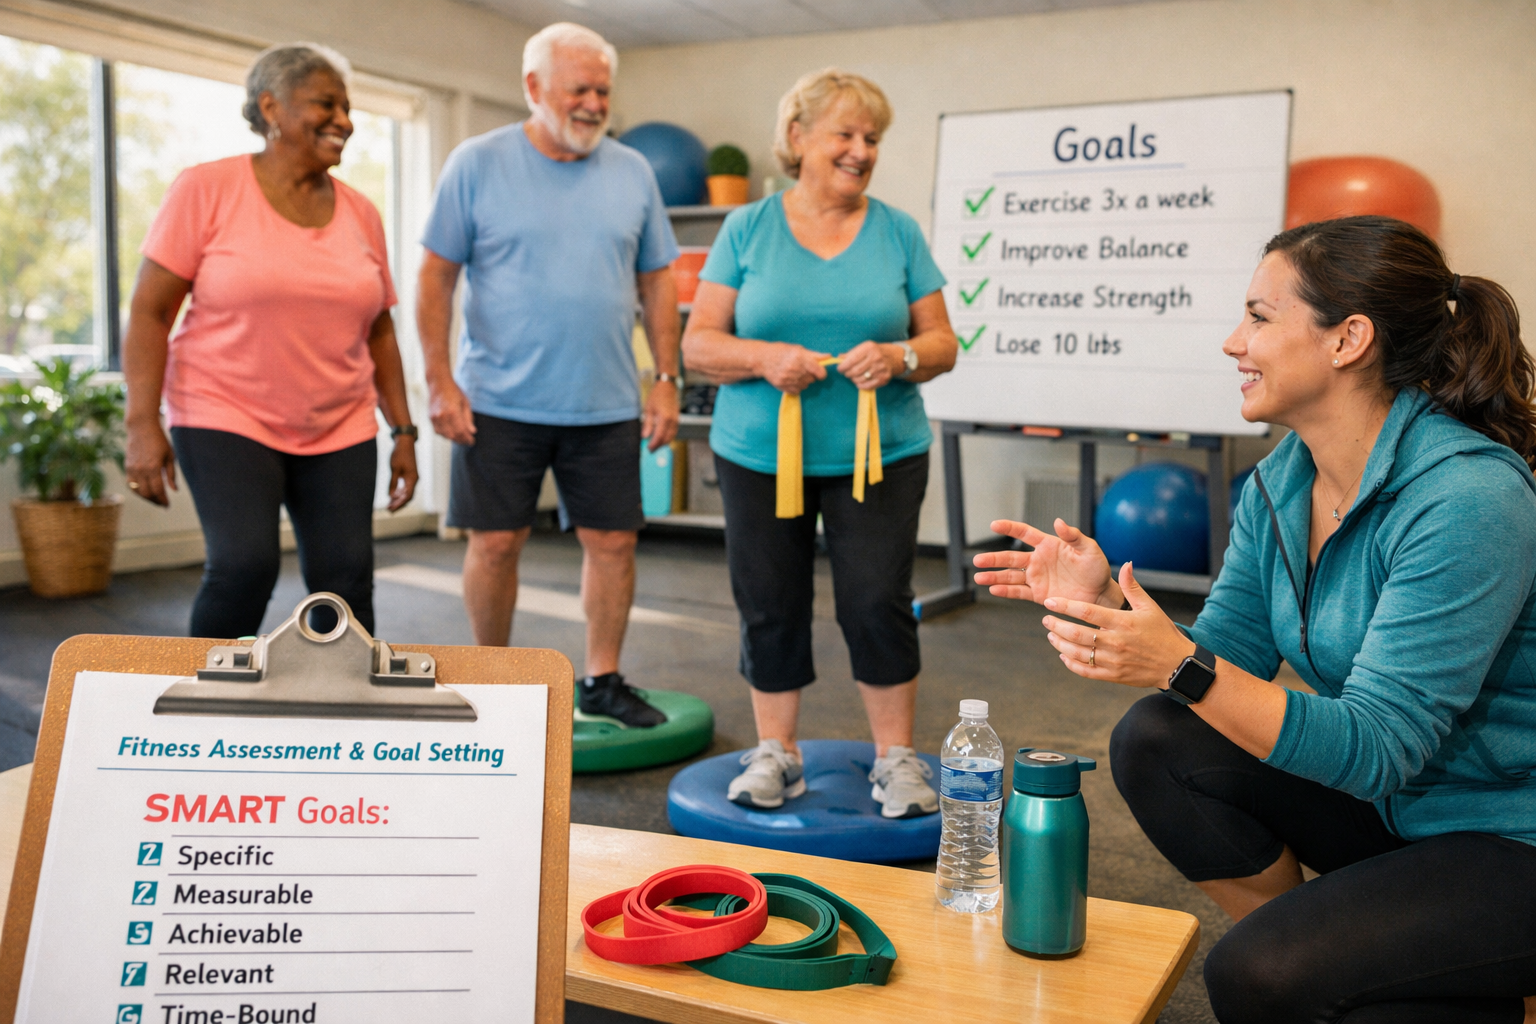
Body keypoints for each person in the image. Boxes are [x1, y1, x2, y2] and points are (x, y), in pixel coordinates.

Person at [975, 216, 1536, 1023]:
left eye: (1259, 318)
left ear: (1348, 339)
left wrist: (1178, 664)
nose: (1234, 342)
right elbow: (1219, 659)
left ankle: (1431, 977)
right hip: (1398, 809)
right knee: (1158, 738)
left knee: (1263, 976)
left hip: (1507, 832)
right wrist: (1103, 609)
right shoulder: (1282, 481)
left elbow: (1377, 746)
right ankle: (1385, 964)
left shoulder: (1467, 498)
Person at [682, 68, 958, 817]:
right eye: (846, 133)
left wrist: (899, 356)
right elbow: (698, 345)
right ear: (798, 137)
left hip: (882, 452)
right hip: (761, 453)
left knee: (877, 601)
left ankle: (896, 759)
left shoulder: (897, 230)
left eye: (872, 138)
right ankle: (778, 752)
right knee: (769, 601)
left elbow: (942, 343)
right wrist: (764, 357)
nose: (861, 150)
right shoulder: (748, 228)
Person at [417, 23, 680, 727]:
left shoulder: (633, 172)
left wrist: (666, 378)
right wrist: (439, 381)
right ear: (534, 89)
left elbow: (658, 282)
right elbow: (435, 278)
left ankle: (603, 679)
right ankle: (492, 680)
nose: (595, 103)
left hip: (605, 400)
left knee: (613, 542)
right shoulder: (475, 163)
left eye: (603, 90)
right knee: (496, 542)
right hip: (498, 398)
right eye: (580, 89)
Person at [122, 42, 416, 639]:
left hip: (339, 420)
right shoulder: (206, 189)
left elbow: (379, 331)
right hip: (223, 410)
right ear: (271, 108)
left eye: (348, 108)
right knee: (243, 567)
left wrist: (404, 431)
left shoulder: (361, 213)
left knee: (347, 580)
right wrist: (140, 424)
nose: (345, 121)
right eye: (325, 104)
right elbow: (151, 313)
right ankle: (204, 712)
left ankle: (345, 712)